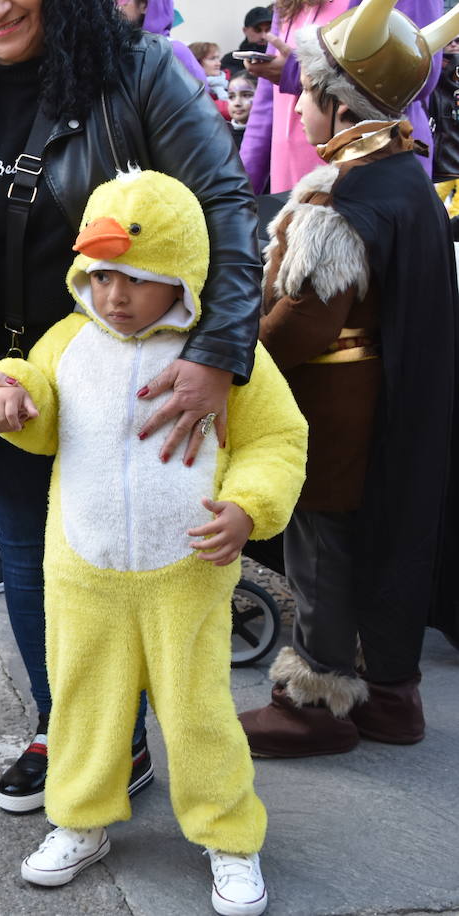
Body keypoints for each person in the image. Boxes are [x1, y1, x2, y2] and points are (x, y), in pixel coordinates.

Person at [0, 0, 260, 814]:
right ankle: (70, 727)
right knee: (34, 556)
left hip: (143, 380)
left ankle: (198, 769)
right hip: (20, 391)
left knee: (156, 566)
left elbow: (227, 205)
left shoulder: (136, 71)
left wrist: (216, 355)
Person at [0, 168, 306, 916]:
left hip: (186, 572)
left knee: (199, 712)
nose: (113, 296)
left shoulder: (222, 355)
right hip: (83, 570)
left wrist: (249, 508)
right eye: (99, 276)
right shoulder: (68, 342)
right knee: (83, 706)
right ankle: (81, 819)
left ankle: (229, 837)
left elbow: (277, 440)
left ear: (182, 272)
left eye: (135, 277)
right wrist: (8, 391)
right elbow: (39, 404)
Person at [238, 0, 459, 758]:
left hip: (333, 416)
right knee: (382, 541)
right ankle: (390, 697)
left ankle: (314, 704)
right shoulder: (406, 177)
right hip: (393, 413)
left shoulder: (342, 198)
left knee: (321, 548)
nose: (297, 105)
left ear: (341, 103)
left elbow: (303, 324)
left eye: (307, 91)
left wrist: (233, 360)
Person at [239, 0, 442, 194]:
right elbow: (264, 105)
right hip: (290, 175)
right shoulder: (288, 4)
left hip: (366, 174)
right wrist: (243, 190)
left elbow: (416, 70)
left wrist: (295, 71)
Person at [118, 0, 206, 85]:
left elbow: (199, 97)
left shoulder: (174, 51)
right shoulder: (118, 48)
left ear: (144, 5)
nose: (115, 5)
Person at [429, 37, 459, 215]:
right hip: (444, 147)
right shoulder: (435, 71)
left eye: (457, 41)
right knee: (440, 189)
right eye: (450, 41)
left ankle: (451, 220)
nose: (454, 45)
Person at [221, 6, 274, 76]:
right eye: (257, 30)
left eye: (267, 30)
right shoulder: (230, 60)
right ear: (245, 30)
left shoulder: (277, 58)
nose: (263, 36)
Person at [227, 72, 257, 148]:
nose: (237, 103)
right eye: (231, 97)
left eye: (246, 95)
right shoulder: (220, 136)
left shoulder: (271, 135)